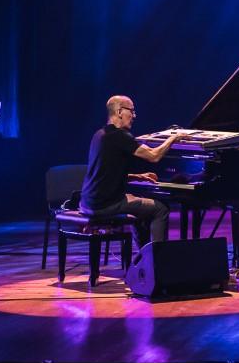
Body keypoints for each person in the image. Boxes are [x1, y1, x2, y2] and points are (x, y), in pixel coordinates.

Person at [79, 95, 187, 251]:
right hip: (105, 204)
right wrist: (173, 138)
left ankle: (142, 256)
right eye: (132, 111)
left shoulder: (99, 135)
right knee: (161, 209)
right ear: (119, 112)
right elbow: (154, 156)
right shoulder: (120, 136)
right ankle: (158, 259)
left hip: (88, 202)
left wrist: (138, 176)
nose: (134, 115)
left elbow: (105, 173)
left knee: (138, 207)